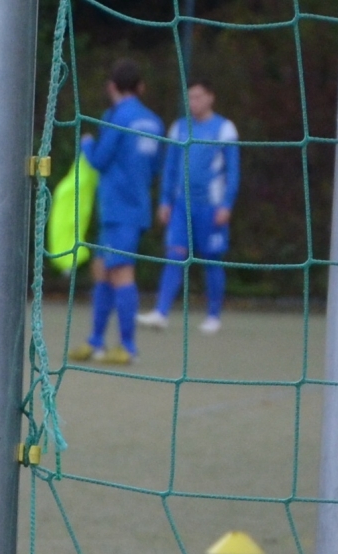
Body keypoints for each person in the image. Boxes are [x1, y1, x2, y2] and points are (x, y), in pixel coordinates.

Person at [70, 58, 165, 366]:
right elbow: (154, 167)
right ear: (141, 87)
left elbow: (98, 160)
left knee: (121, 272)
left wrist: (86, 144)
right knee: (102, 268)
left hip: (117, 208)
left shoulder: (114, 117)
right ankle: (96, 341)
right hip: (135, 206)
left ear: (111, 86)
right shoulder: (154, 121)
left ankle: (128, 346)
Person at [138, 78, 239, 335]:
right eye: (190, 97)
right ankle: (161, 312)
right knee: (174, 255)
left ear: (210, 97)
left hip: (211, 206)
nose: (193, 102)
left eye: (198, 96)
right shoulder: (179, 127)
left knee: (212, 259)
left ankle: (213, 315)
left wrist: (226, 204)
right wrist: (164, 201)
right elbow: (170, 167)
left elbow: (233, 171)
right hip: (182, 206)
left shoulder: (225, 129)